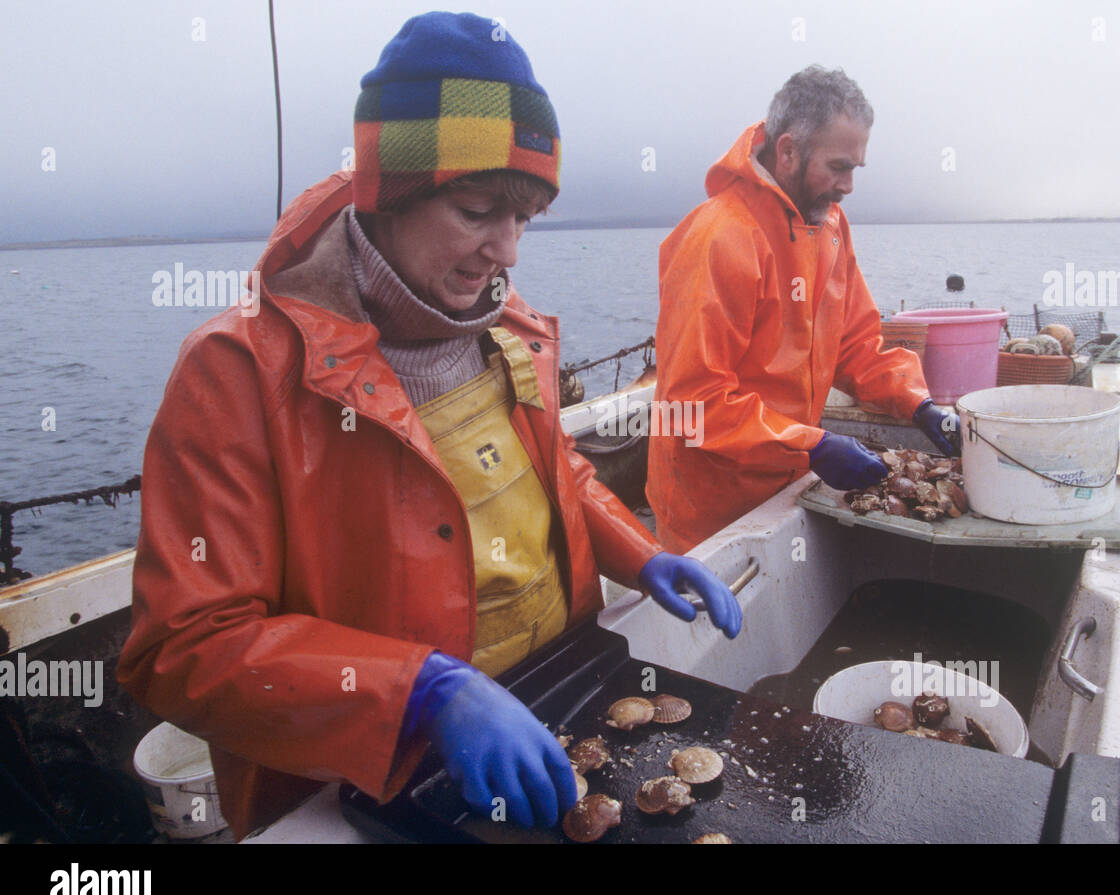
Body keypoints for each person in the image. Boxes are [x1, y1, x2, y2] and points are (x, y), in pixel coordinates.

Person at [117, 12, 740, 841]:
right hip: (369, 789)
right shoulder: (235, 372)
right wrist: (418, 689)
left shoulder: (510, 330)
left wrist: (641, 549)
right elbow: (183, 647)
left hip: (559, 703)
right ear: (389, 192)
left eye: (526, 218)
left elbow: (557, 475)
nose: (507, 250)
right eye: (480, 209)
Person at [647, 66, 959, 553]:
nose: (849, 185)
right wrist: (812, 444)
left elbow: (854, 344)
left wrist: (920, 405)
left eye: (855, 168)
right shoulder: (720, 238)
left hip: (789, 486)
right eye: (838, 167)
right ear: (788, 150)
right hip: (709, 514)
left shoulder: (830, 226)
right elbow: (692, 404)